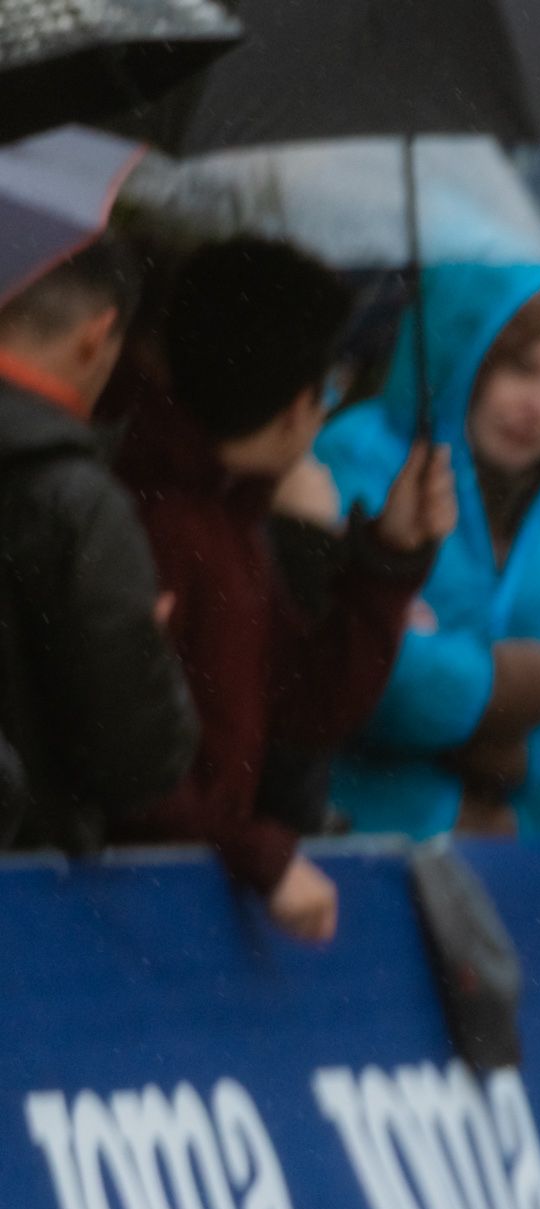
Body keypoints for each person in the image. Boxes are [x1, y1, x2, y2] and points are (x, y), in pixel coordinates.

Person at [116, 236, 450, 935]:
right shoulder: (166, 526)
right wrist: (257, 856)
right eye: (328, 385)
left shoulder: (232, 519)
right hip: (137, 915)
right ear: (299, 406)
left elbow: (302, 702)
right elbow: (126, 765)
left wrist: (388, 558)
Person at [318, 261, 540, 837]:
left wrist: (525, 762)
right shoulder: (359, 458)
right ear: (464, 349)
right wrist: (496, 693)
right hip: (355, 859)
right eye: (521, 368)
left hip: (514, 874)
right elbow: (362, 673)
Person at [0, 233, 195, 854]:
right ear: (97, 333)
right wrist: (148, 650)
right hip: (28, 887)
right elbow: (138, 762)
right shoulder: (78, 503)